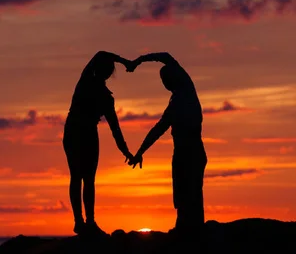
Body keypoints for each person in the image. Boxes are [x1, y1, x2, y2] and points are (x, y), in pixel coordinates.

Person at [127, 52, 207, 240]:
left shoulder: (186, 90)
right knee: (183, 193)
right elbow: (158, 129)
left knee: (192, 193)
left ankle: (192, 233)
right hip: (182, 151)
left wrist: (139, 60)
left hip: (191, 150)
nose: (164, 82)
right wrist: (139, 152)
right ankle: (186, 229)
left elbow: (165, 56)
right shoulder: (176, 102)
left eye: (165, 78)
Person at [63, 51, 135, 236]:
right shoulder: (89, 83)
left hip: (80, 132)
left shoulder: (94, 88)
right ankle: (84, 222)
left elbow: (115, 128)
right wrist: (125, 60)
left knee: (80, 178)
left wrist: (126, 152)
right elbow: (115, 130)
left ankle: (85, 222)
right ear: (109, 73)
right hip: (79, 132)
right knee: (83, 178)